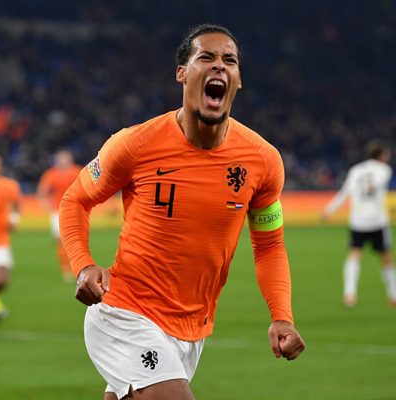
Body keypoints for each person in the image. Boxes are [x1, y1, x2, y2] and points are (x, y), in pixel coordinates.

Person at [59, 24, 305, 400]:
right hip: (125, 313)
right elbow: (75, 200)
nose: (219, 66)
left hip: (191, 331)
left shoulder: (263, 161)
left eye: (229, 60)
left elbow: (269, 247)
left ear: (238, 80)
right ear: (182, 73)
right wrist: (83, 265)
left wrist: (282, 316)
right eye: (206, 57)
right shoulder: (135, 145)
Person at [322, 139, 396, 307]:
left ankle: (349, 294)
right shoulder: (385, 170)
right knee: (386, 258)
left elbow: (344, 193)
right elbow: (375, 185)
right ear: (381, 155)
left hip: (358, 221)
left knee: (354, 255)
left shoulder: (355, 170)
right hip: (378, 221)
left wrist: (328, 211)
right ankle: (393, 295)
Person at [37, 149, 81, 282]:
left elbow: (86, 187)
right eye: (60, 158)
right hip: (57, 211)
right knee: (60, 240)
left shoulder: (76, 171)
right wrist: (46, 205)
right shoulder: (51, 174)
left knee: (76, 240)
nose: (63, 161)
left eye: (65, 158)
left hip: (74, 210)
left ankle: (77, 268)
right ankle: (65, 269)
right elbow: (42, 192)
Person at [0, 153, 21, 320]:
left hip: (1, 239)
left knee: (2, 281)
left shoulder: (9, 185)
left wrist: (15, 218)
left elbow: (17, 203)